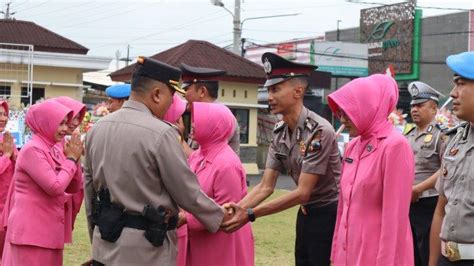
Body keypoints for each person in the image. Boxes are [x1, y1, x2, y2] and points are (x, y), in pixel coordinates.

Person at [84, 56, 233, 265]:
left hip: (105, 243)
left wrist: (97, 238)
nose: (172, 104)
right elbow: (187, 192)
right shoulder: (161, 134)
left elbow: (90, 194)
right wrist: (220, 216)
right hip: (146, 251)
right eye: (171, 97)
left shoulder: (96, 130)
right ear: (156, 94)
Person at [222, 52, 341, 266]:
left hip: (329, 216)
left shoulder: (319, 131)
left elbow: (303, 192)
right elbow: (265, 186)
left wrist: (249, 214)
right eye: (268, 90)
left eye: (275, 89)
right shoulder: (279, 131)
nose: (269, 96)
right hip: (305, 213)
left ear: (298, 91)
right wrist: (236, 210)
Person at [327, 74, 415, 265]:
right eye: (340, 112)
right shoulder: (352, 146)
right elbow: (343, 205)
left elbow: (395, 218)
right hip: (348, 251)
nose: (342, 119)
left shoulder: (395, 146)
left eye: (348, 111)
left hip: (377, 254)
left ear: (369, 106)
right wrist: (336, 251)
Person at [2, 100, 84, 266]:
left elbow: (73, 186)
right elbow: (55, 187)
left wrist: (75, 159)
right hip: (32, 235)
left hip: (49, 233)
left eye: (65, 124)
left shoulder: (52, 147)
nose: (64, 129)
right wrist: (71, 159)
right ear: (46, 121)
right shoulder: (32, 149)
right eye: (60, 123)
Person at [178, 102, 254, 266]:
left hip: (221, 243)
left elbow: (227, 212)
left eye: (199, 120)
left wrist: (186, 218)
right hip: (200, 240)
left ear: (214, 125)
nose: (193, 124)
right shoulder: (199, 155)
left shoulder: (227, 163)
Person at [429, 51, 474, 266]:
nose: (453, 93)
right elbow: (441, 210)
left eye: (461, 84)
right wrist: (433, 261)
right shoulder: (456, 141)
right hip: (447, 259)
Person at [405, 81, 447, 266]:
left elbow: (447, 168)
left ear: (434, 108)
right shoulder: (407, 135)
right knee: (410, 251)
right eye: (413, 105)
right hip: (408, 203)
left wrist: (418, 189)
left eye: (420, 105)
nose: (415, 109)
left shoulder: (442, 135)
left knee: (427, 253)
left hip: (430, 202)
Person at [180, 63, 240, 155]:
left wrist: (178, 138)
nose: (184, 95)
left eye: (186, 89)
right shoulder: (202, 116)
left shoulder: (219, 118)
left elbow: (204, 161)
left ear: (202, 91)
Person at [53, 96, 87, 244]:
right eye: (71, 117)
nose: (75, 122)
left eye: (78, 118)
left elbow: (76, 183)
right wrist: (72, 159)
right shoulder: (46, 145)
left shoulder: (66, 143)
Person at [0, 100, 16, 259]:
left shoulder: (7, 141)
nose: (3, 118)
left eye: (5, 114)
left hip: (7, 208)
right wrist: (6, 156)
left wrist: (14, 155)